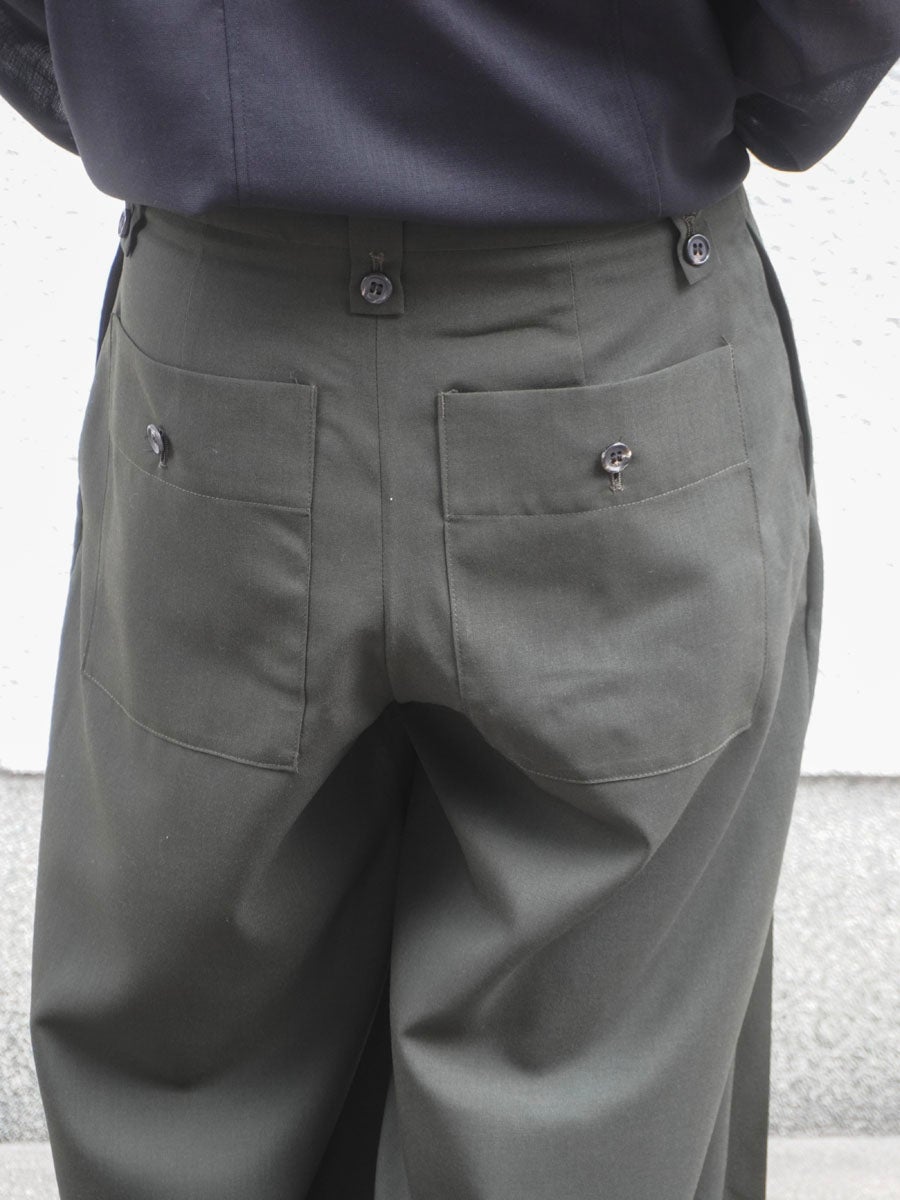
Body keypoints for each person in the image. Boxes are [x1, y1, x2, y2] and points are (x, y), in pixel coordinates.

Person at [2, 4, 898, 1198]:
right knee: (576, 1107)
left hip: (221, 364)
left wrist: (184, 97)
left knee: (181, 1091)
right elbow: (824, 28)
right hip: (603, 364)